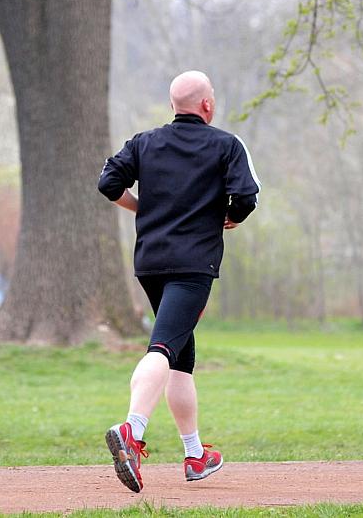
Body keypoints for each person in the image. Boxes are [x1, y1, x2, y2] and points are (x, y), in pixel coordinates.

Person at [98, 70, 260, 493]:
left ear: (174, 105)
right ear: (207, 104)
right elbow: (246, 196)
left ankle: (194, 455)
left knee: (180, 358)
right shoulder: (226, 145)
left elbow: (108, 182)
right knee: (163, 346)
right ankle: (132, 430)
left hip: (150, 262)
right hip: (193, 266)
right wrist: (231, 218)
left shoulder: (143, 143)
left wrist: (140, 209)